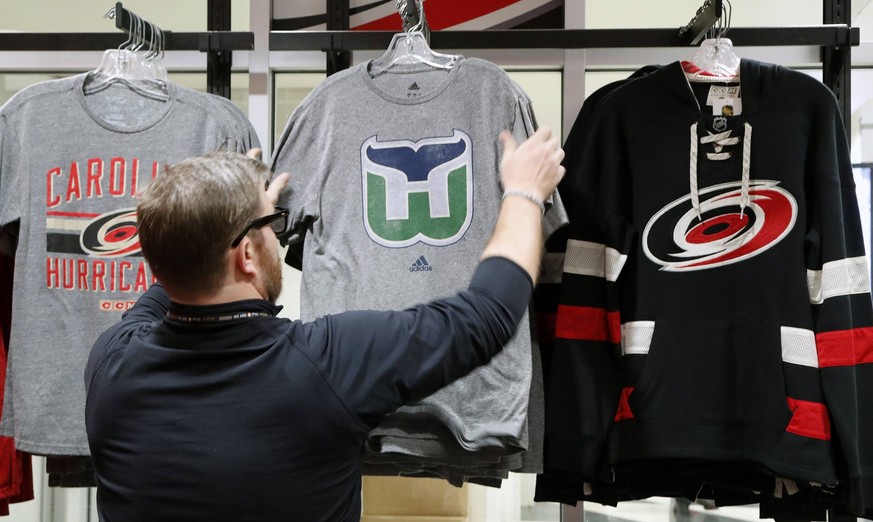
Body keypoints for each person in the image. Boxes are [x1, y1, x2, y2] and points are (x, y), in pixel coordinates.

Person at [84, 127, 565, 522]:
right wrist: (524, 193)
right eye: (271, 227)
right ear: (247, 255)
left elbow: (176, 268)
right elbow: (485, 317)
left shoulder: (111, 363)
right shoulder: (328, 365)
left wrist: (232, 215)